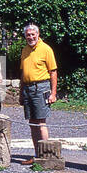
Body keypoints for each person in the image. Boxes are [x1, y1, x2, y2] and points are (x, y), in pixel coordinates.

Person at [18, 22, 58, 164]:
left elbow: (53, 72)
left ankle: (45, 156)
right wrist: (21, 93)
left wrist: (53, 94)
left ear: (38, 34)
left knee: (41, 122)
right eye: (28, 35)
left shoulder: (46, 49)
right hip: (28, 89)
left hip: (41, 88)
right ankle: (37, 155)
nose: (30, 37)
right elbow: (23, 73)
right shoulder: (24, 50)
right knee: (32, 123)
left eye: (32, 34)